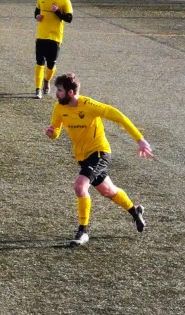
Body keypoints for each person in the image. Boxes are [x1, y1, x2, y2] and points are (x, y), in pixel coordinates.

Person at [44, 73, 153, 246]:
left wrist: (140, 140)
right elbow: (56, 130)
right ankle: (135, 211)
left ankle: (83, 231)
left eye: (59, 90)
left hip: (99, 153)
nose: (56, 94)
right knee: (108, 191)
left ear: (71, 92)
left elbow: (119, 117)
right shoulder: (59, 108)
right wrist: (52, 133)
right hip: (83, 157)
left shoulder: (89, 105)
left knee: (80, 186)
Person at [34, 0, 73, 99]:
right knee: (39, 62)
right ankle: (38, 89)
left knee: (51, 65)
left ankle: (47, 80)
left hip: (55, 37)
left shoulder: (64, 0)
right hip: (41, 35)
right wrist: (37, 17)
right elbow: (36, 11)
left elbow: (69, 18)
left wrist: (57, 12)